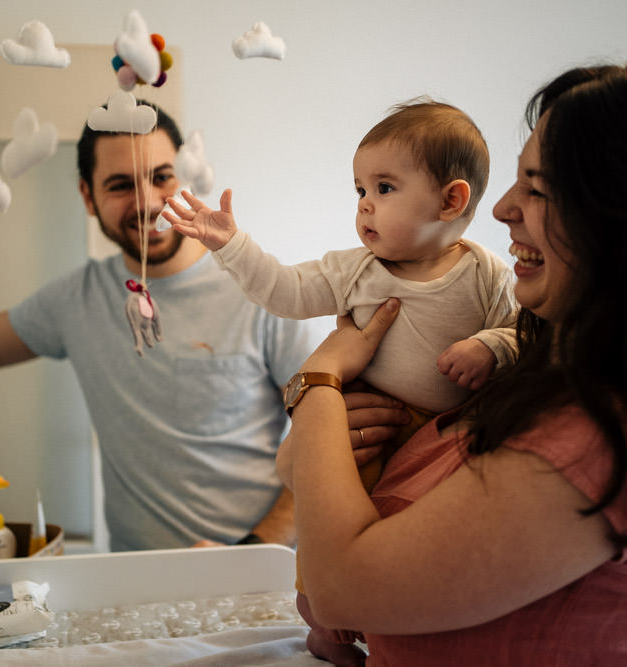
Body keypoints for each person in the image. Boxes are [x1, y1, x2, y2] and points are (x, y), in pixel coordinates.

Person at [275, 58, 627, 665]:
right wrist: (318, 444)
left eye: (537, 188)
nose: (503, 207)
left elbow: (342, 591)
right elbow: (308, 476)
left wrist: (318, 383)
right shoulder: (538, 371)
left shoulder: (604, 438)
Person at [0, 101, 325, 552]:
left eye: (160, 177)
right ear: (87, 196)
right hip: (137, 591)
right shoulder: (76, 299)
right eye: (119, 185)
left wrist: (258, 547)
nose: (145, 201)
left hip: (262, 577)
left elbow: (331, 433)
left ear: (183, 174)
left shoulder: (262, 292)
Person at [164, 98, 518, 664]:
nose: (364, 208)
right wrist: (231, 245)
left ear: (451, 199)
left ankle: (395, 628)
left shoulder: (487, 275)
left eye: (383, 188)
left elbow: (525, 336)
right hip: (368, 420)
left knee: (413, 548)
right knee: (331, 520)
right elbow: (284, 290)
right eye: (359, 191)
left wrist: (490, 346)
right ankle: (320, 619)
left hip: (448, 437)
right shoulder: (357, 270)